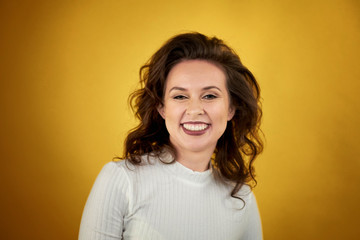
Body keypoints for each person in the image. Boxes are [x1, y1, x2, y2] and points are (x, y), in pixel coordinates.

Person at [79, 32, 264, 240]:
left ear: (231, 108)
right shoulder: (121, 180)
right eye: (180, 96)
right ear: (162, 108)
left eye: (210, 95)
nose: (195, 110)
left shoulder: (242, 198)